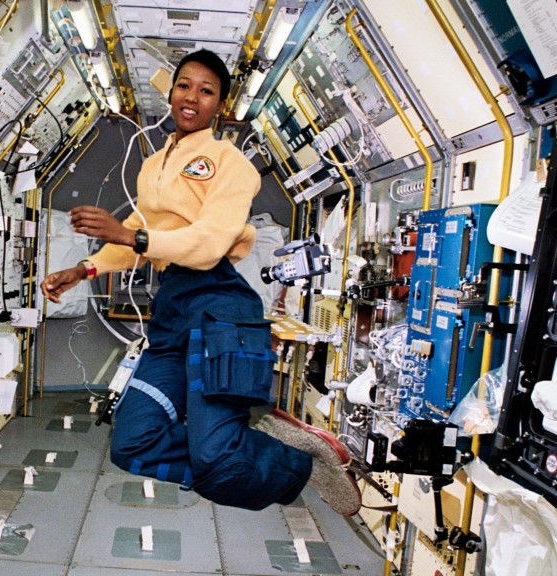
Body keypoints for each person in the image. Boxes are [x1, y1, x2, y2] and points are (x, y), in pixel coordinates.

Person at [41, 49, 360, 515]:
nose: (192, 97)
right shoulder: (156, 165)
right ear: (171, 91)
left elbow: (209, 241)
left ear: (221, 107)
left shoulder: (230, 163)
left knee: (219, 465)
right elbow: (144, 227)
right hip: (173, 309)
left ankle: (299, 461)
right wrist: (82, 270)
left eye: (206, 91)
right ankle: (249, 445)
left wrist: (130, 234)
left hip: (220, 304)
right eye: (184, 85)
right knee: (132, 444)